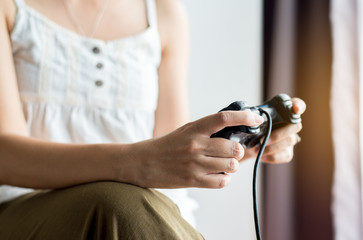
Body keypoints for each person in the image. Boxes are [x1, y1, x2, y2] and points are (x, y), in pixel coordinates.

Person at [0, 0, 306, 239]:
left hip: (138, 216)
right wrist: (135, 163)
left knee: (130, 207)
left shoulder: (165, 15)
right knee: (118, 202)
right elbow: (6, 156)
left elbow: (169, 167)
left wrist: (230, 149)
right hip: (24, 212)